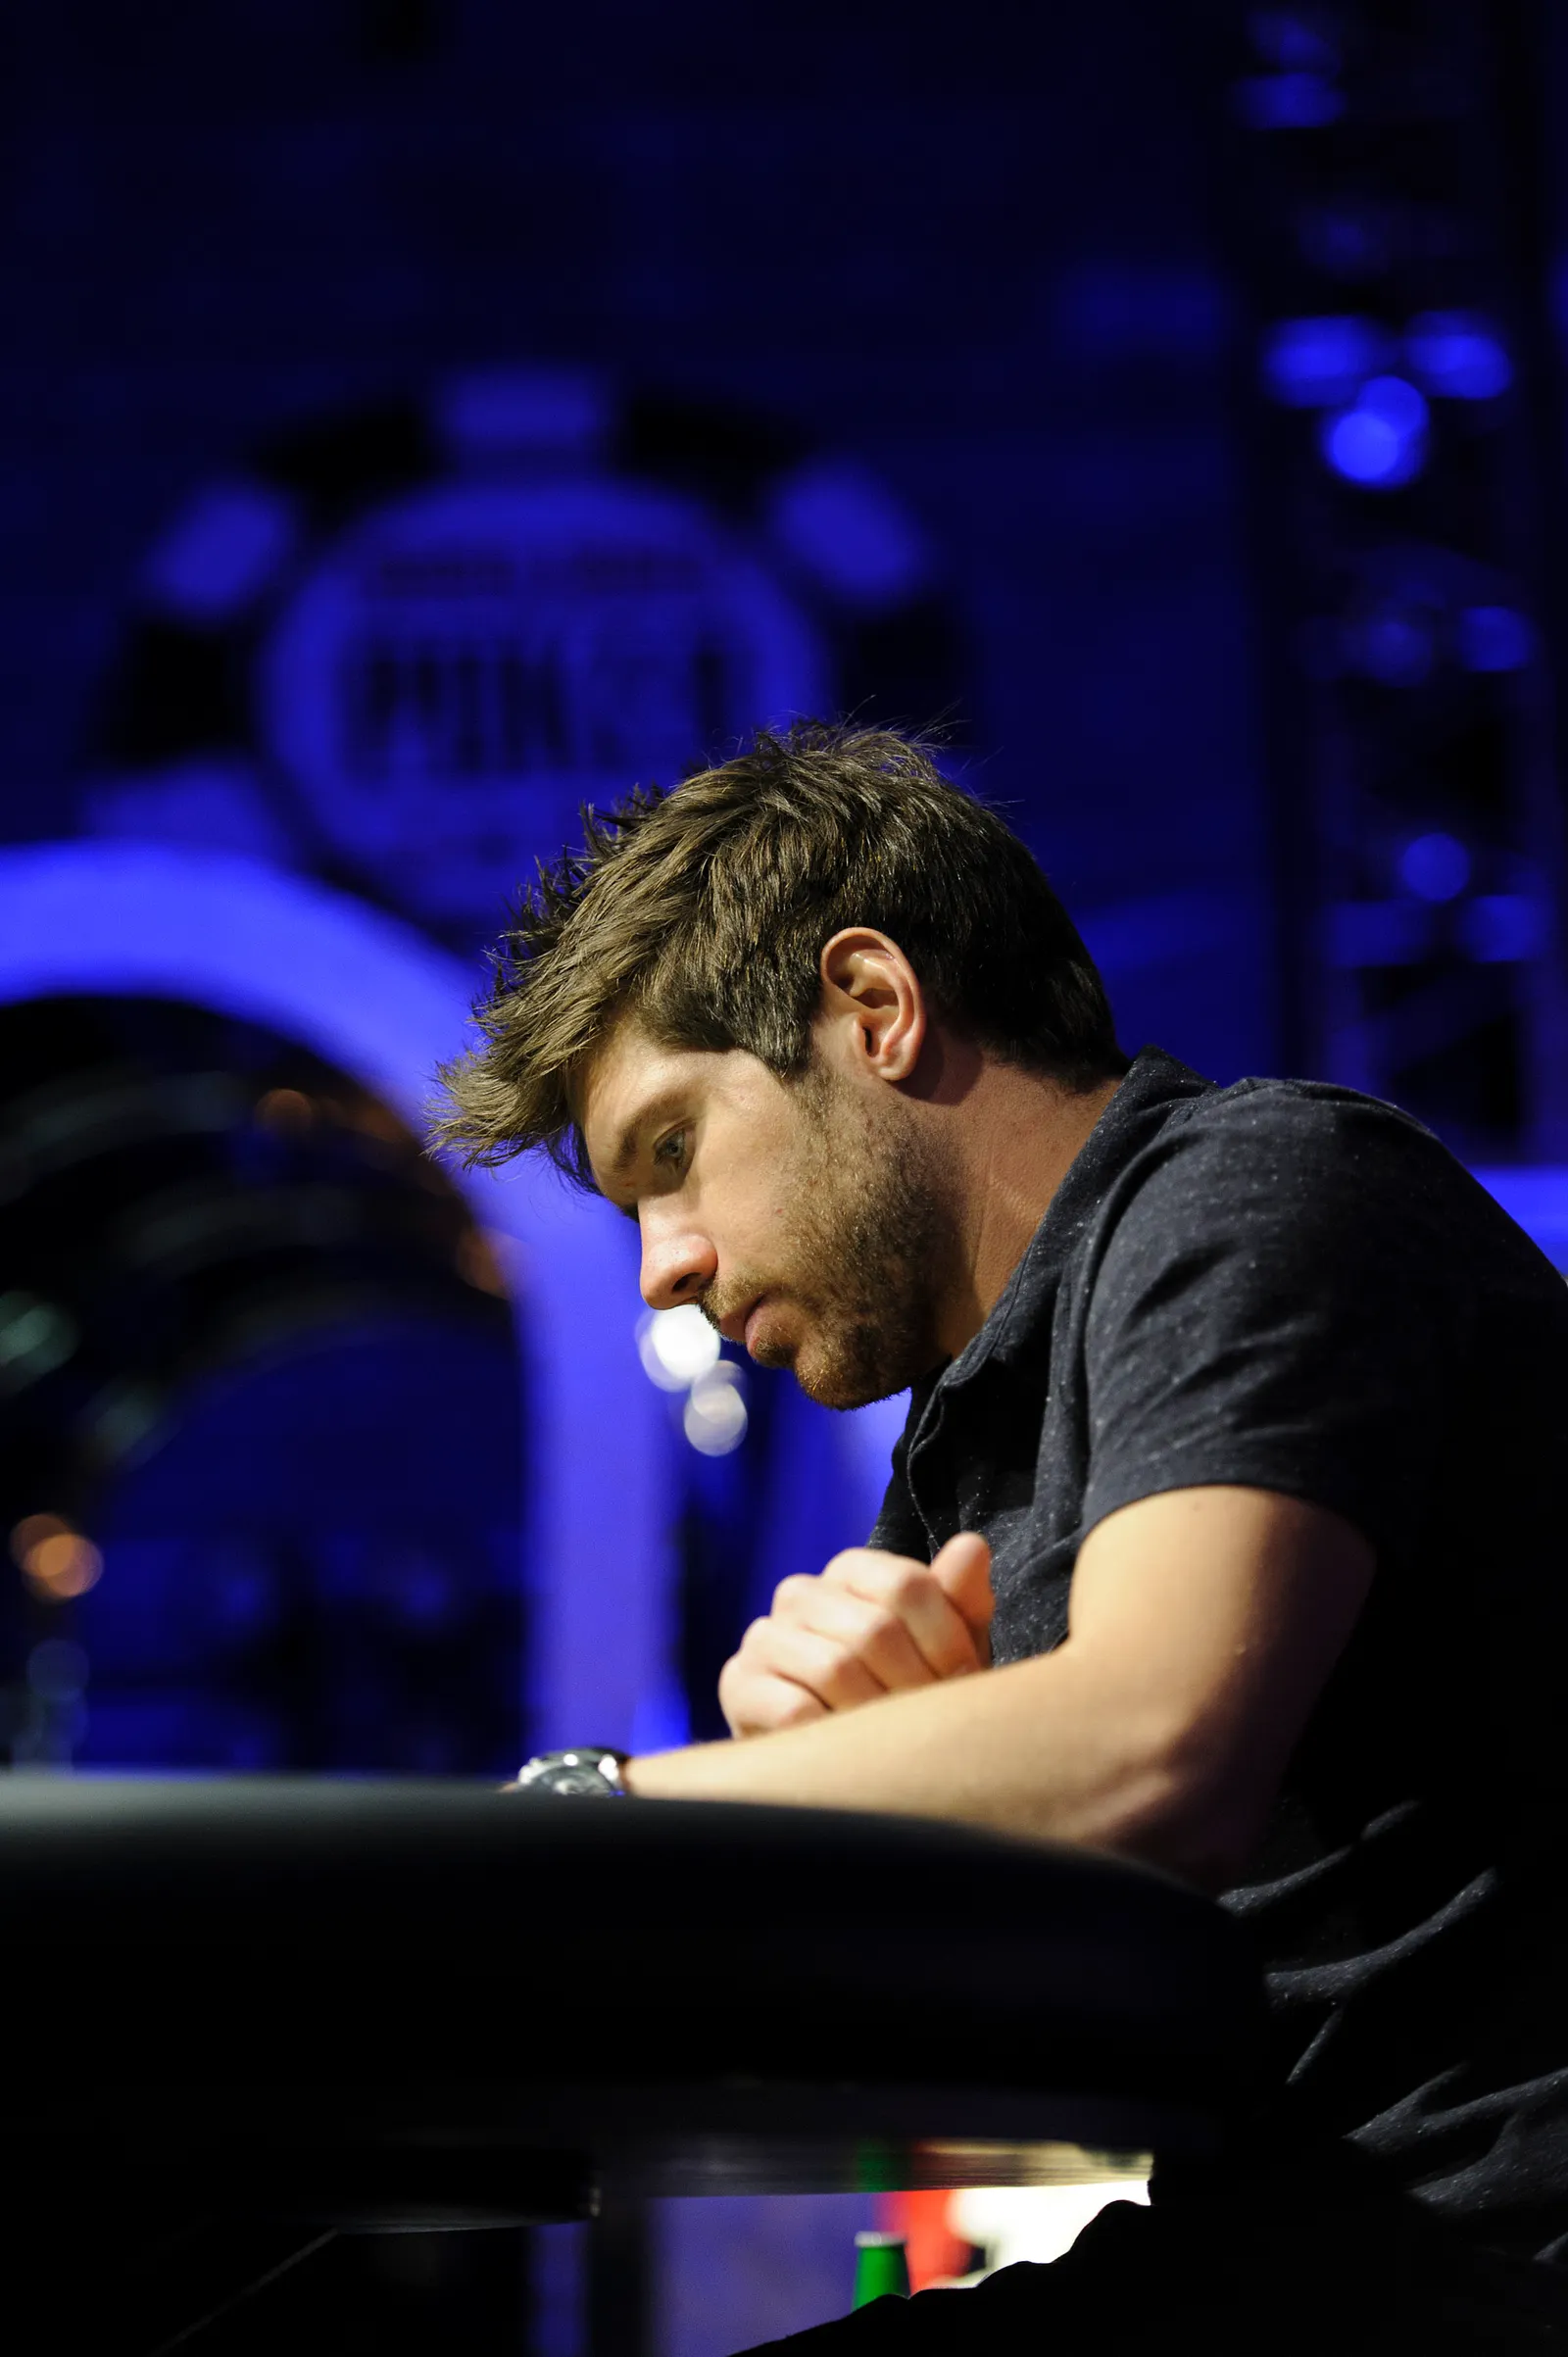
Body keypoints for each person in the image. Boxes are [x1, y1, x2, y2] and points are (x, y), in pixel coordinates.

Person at [431, 722, 1568, 2350]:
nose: (662, 1267)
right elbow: (1026, 2025)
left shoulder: (1256, 1189)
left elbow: (1153, 1742)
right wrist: (875, 1808)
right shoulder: (965, 1449)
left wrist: (597, 1823)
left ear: (874, 1008)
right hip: (1305, 2242)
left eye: (672, 1151)